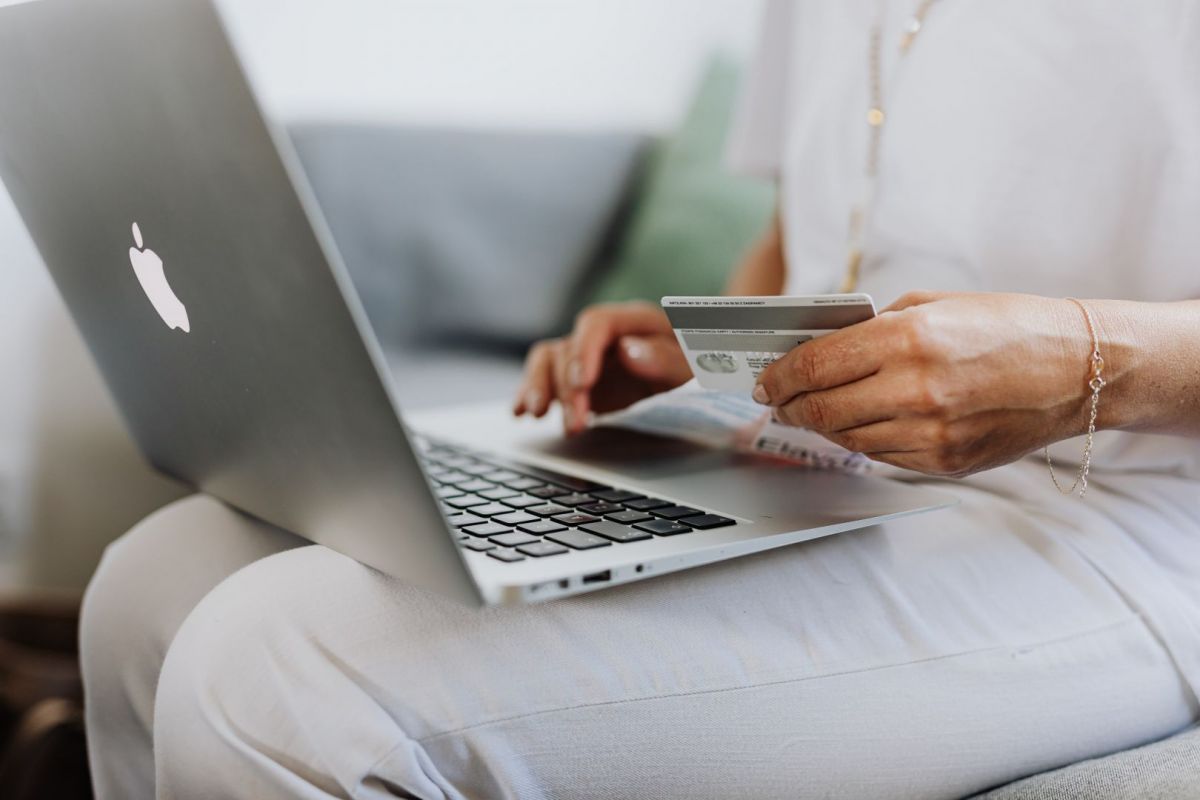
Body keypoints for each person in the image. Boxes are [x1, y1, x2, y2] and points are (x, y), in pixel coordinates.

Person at [81, 2, 1200, 798]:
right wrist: (719, 343)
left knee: (275, 678)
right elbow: (800, 234)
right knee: (155, 580)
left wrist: (1082, 359)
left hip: (1105, 515)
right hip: (821, 462)